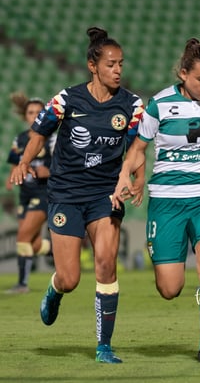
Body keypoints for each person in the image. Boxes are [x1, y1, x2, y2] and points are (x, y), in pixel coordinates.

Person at [10, 27, 145, 364]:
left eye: (121, 64)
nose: (118, 70)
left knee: (105, 263)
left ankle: (103, 346)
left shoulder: (132, 104)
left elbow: (138, 147)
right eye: (111, 64)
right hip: (66, 193)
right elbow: (39, 133)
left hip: (105, 194)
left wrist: (136, 178)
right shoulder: (67, 100)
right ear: (92, 66)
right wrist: (24, 163)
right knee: (70, 278)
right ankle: (55, 290)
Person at [112, 38, 200, 365]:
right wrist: (128, 176)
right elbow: (137, 148)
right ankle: (171, 262)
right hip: (166, 202)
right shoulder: (159, 104)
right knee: (169, 288)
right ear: (183, 74)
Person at [4, 93, 55, 294]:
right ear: (25, 116)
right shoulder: (21, 139)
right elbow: (15, 163)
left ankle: (22, 284)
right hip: (24, 195)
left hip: (44, 194)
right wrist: (11, 178)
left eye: (38, 112)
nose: (34, 116)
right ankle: (56, 250)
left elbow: (67, 166)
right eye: (30, 112)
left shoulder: (52, 139)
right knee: (31, 242)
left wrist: (49, 172)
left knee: (23, 237)